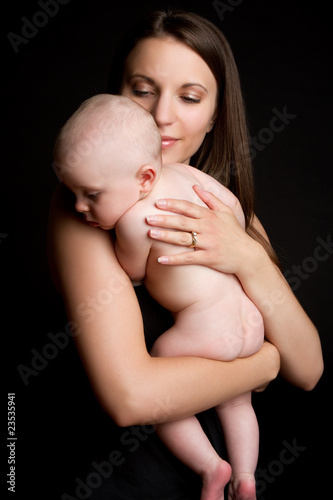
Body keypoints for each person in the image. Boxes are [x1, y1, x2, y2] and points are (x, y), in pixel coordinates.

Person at [47, 9, 323, 500]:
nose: (162, 116)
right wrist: (262, 364)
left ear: (216, 113)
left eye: (190, 97)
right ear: (115, 96)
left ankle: (240, 474)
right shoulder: (86, 210)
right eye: (142, 89)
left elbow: (309, 369)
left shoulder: (224, 205)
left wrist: (250, 259)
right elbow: (130, 398)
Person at [53, 92, 266, 499]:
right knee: (239, 406)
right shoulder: (194, 180)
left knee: (164, 381)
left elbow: (133, 272)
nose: (79, 207)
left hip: (204, 331)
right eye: (73, 192)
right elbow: (235, 213)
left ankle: (211, 468)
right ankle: (247, 477)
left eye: (92, 195)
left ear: (145, 179)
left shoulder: (135, 218)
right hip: (249, 323)